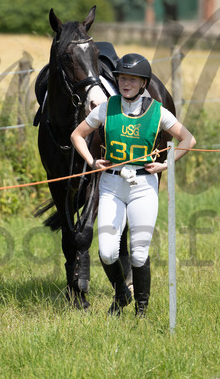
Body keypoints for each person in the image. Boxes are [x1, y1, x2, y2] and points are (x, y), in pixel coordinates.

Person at [70, 53, 196, 317]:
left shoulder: (157, 111)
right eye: (122, 78)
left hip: (144, 186)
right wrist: (92, 161)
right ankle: (121, 294)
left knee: (139, 255)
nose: (126, 83)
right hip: (111, 184)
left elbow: (187, 139)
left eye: (132, 79)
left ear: (143, 83)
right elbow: (77, 135)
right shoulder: (107, 107)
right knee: (106, 252)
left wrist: (166, 164)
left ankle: (141, 310)